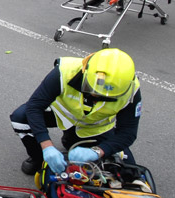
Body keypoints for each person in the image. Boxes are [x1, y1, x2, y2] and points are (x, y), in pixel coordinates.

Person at [10, 48, 142, 175]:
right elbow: (34, 106)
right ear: (85, 72)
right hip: (62, 115)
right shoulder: (65, 71)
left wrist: (98, 151)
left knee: (129, 170)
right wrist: (47, 146)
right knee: (20, 118)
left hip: (95, 127)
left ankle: (72, 139)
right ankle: (39, 159)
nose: (97, 99)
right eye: (93, 91)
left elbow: (128, 132)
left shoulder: (131, 90)